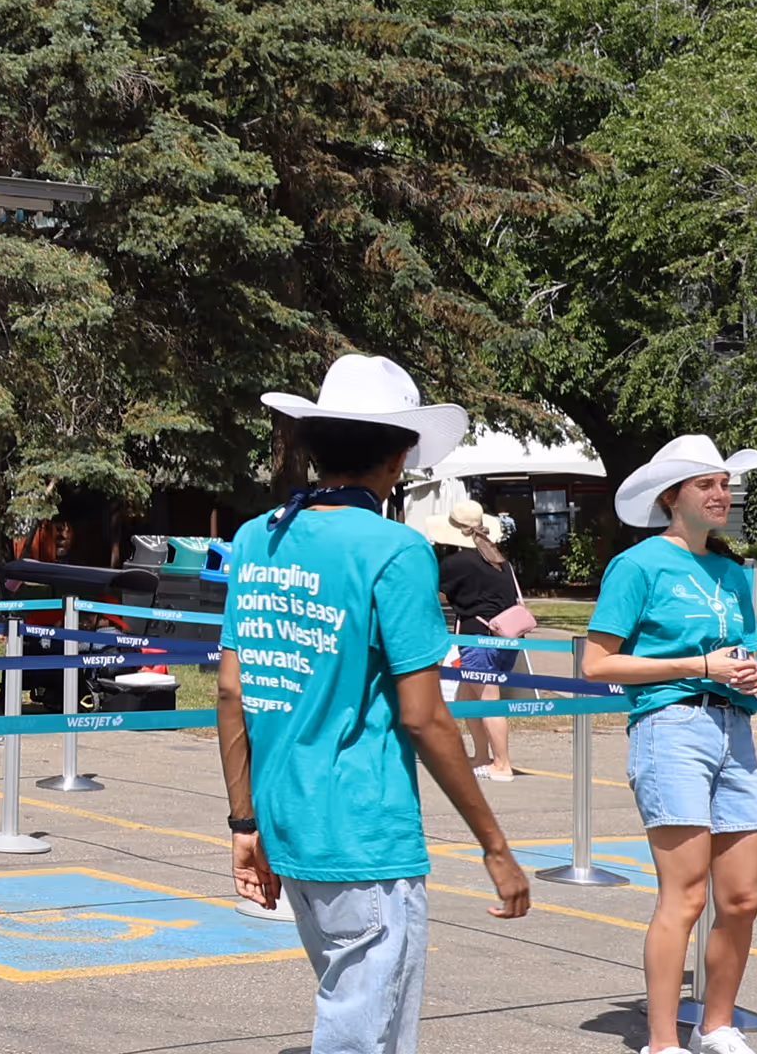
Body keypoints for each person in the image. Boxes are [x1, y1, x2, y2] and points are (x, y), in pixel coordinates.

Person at [214, 355, 528, 1054]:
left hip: (284, 818)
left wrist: (244, 821)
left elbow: (232, 690)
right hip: (364, 832)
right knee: (366, 1035)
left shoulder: (258, 537)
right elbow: (424, 715)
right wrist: (494, 845)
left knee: (346, 1008)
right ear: (399, 455)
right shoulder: (396, 549)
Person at [583, 436, 757, 1054]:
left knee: (741, 898)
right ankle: (662, 1042)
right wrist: (699, 666)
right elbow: (596, 664)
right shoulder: (638, 565)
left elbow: (739, 651)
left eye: (725, 484)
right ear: (671, 497)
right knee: (685, 895)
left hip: (734, 730)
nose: (722, 495)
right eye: (706, 484)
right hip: (670, 729)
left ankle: (716, 1026)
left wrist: (746, 673)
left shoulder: (731, 572)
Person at [431, 499, 523, 781]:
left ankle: (502, 764)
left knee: (487, 700)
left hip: (478, 638)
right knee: (467, 696)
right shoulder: (498, 560)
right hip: (505, 638)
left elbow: (438, 594)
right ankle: (482, 755)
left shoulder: (456, 563)